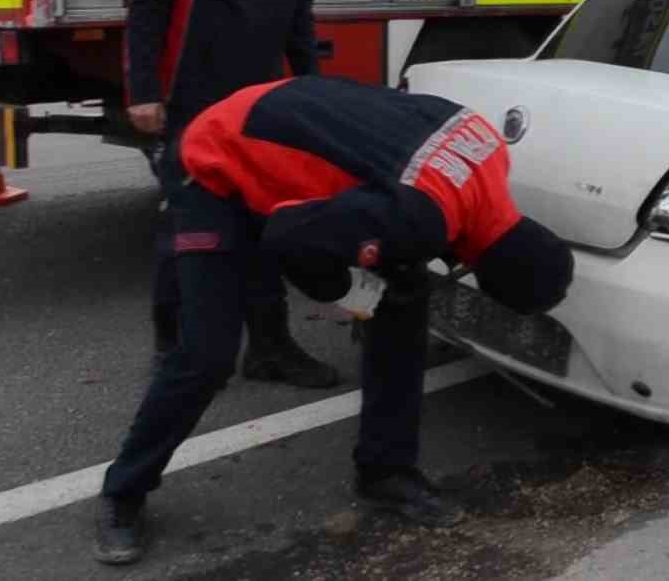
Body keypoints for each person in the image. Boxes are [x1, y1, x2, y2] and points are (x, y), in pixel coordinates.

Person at [93, 75, 575, 566]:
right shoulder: (421, 218)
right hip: (216, 161)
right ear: (482, 273)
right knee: (207, 353)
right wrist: (350, 292)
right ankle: (122, 493)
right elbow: (287, 237)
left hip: (276, 109)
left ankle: (387, 472)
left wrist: (380, 270)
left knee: (402, 307)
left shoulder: (489, 148)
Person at [125, 0, 362, 389]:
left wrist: (309, 89)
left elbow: (297, 6)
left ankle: (270, 348)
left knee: (266, 217)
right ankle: (173, 350)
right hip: (195, 93)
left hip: (265, 94)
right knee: (190, 223)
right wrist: (143, 87)